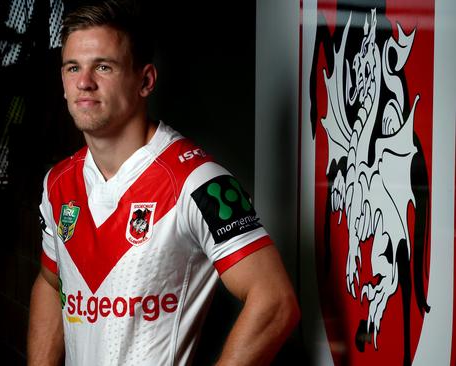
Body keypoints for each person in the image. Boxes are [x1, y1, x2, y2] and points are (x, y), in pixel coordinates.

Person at [27, 1, 300, 365]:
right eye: (72, 67)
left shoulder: (199, 181)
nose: (84, 82)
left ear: (145, 81)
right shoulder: (58, 183)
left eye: (103, 67)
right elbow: (50, 281)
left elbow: (275, 301)